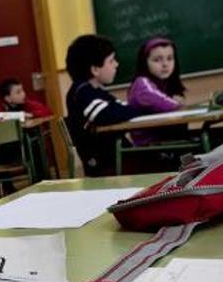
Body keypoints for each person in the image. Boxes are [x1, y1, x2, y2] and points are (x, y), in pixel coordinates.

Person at [65, 34, 146, 176]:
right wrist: (142, 109)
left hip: (117, 158)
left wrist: (137, 109)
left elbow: (122, 107)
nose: (116, 64)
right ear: (95, 69)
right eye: (111, 61)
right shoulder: (82, 92)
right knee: (164, 160)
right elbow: (107, 114)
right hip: (105, 165)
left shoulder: (96, 91)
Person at [127, 37, 188, 145]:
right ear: (145, 62)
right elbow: (166, 103)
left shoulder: (164, 83)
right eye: (157, 60)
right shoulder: (142, 84)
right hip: (151, 147)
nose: (165, 64)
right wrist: (177, 103)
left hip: (167, 141)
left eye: (170, 58)